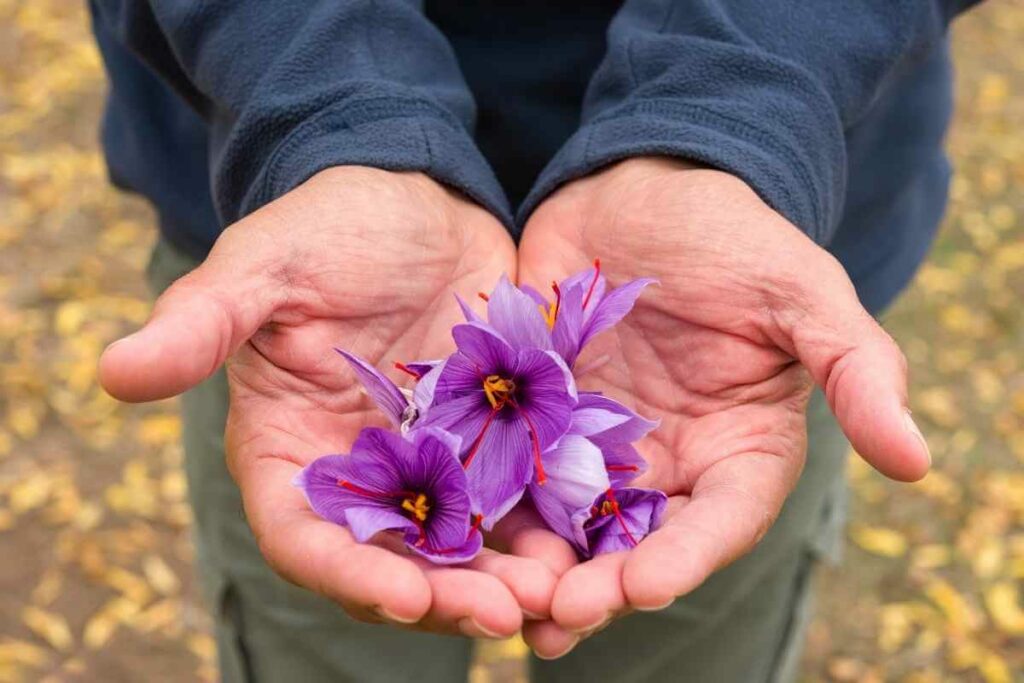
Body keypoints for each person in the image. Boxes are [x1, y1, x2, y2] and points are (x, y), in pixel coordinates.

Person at [89, 1, 977, 680]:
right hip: (302, 265)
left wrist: (728, 128)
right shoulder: (441, 384)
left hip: (730, 304)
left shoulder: (589, 380)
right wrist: (334, 122)